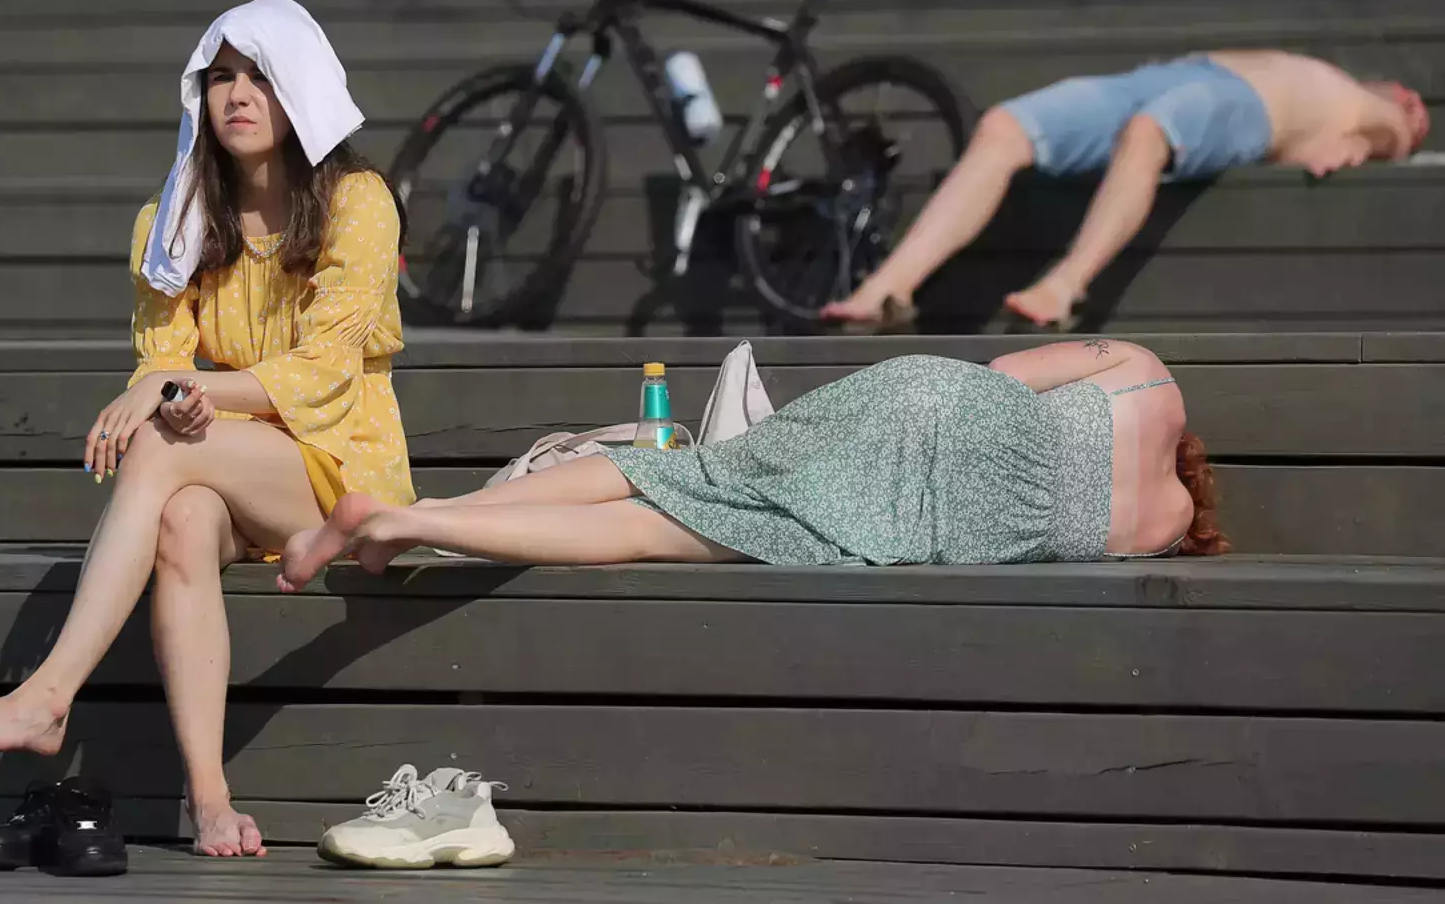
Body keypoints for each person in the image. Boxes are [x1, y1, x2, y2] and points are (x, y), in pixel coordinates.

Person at [0, 0, 414, 859]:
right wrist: (179, 394)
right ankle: (211, 800)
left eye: (260, 76)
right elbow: (163, 363)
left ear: (302, 88)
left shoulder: (358, 201)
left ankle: (48, 692)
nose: (238, 94)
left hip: (340, 474)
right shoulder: (172, 221)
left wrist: (175, 393)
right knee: (183, 517)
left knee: (157, 442)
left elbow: (324, 371)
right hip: (235, 468)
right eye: (220, 76)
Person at [276, 338, 1227, 586]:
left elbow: (1006, 376)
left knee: (691, 473)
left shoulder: (1149, 376)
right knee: (655, 530)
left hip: (929, 402)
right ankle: (414, 524)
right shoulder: (1158, 534)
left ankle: (426, 511)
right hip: (921, 518)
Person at [820, 50, 1432, 331]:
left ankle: (1065, 286)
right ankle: (887, 288)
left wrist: (1371, 141)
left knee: (1149, 133)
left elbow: (1393, 135)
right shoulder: (1352, 85)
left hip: (1245, 104)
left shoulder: (1376, 113)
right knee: (1003, 125)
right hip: (1171, 75)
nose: (1415, 114)